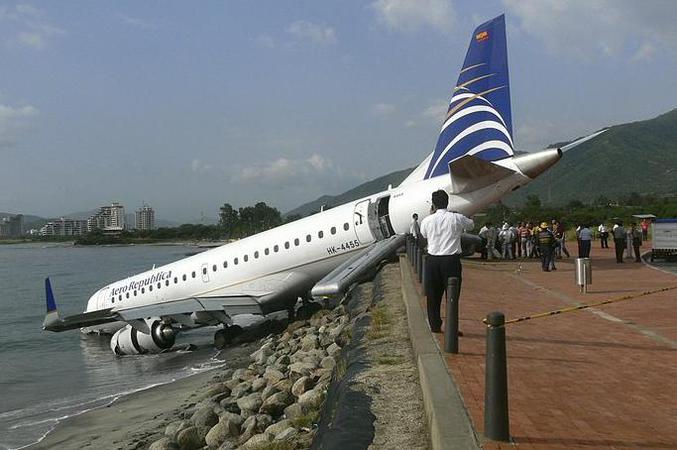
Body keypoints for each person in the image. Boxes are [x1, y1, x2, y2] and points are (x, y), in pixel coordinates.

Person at [420, 190, 474, 333]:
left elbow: (424, 234)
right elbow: (471, 225)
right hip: (451, 260)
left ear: (433, 204)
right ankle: (452, 328)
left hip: (432, 260)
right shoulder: (456, 217)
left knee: (432, 296)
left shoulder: (427, 220)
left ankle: (435, 325)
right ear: (447, 202)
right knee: (452, 296)